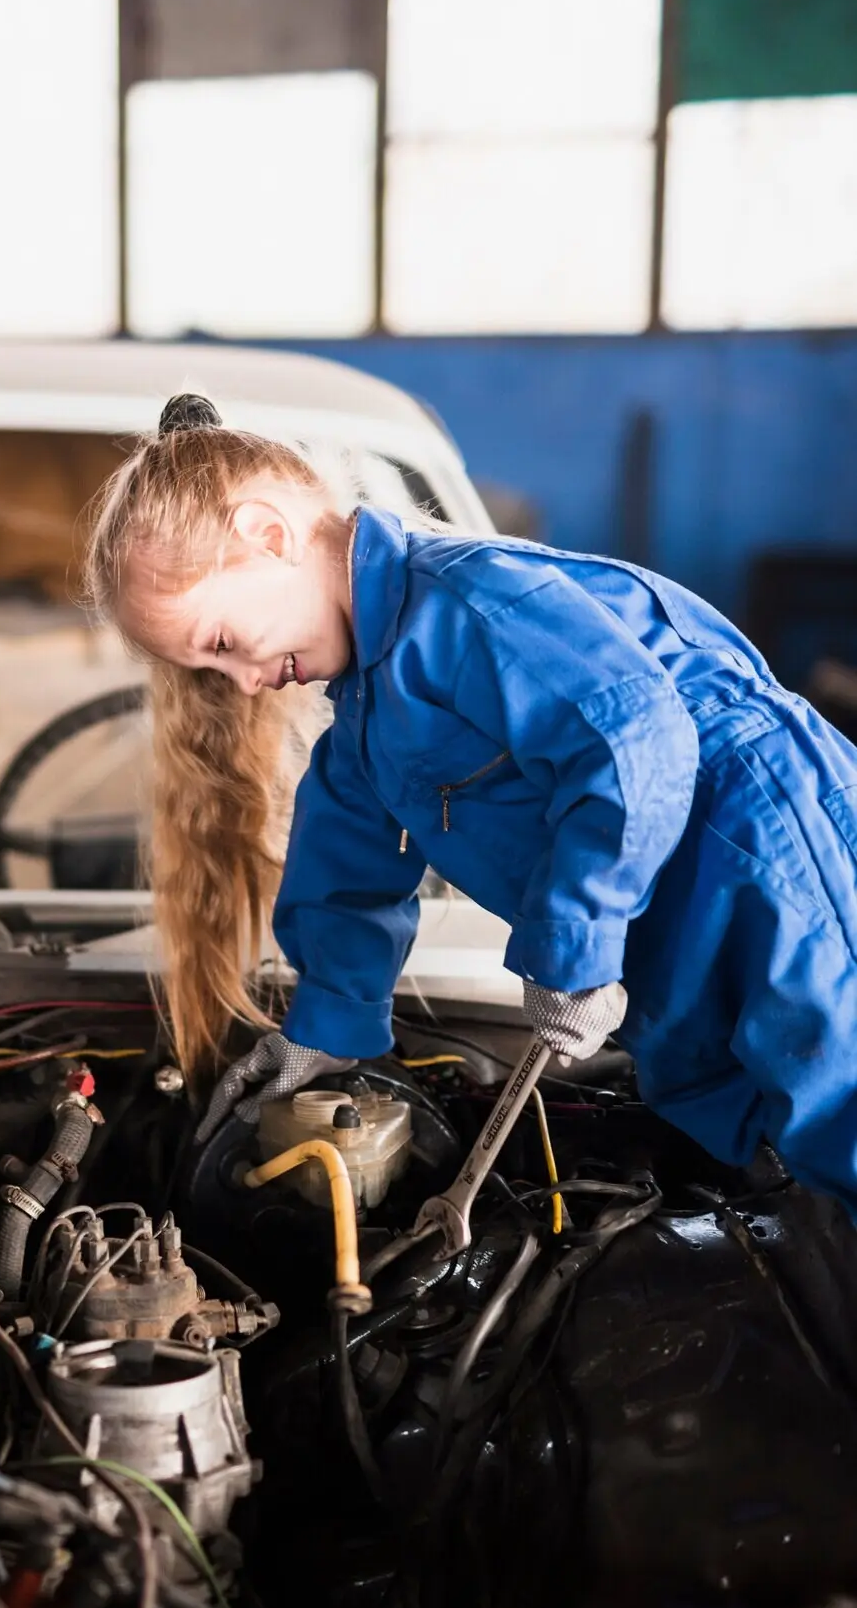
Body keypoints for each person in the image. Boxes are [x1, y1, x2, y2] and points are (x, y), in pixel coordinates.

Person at [83, 394, 857, 1214]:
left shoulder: (466, 602)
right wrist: (322, 1029)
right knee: (751, 1145)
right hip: (673, 913)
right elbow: (345, 871)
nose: (241, 682)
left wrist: (577, 944)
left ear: (269, 536)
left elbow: (632, 735)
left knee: (840, 1117)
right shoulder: (368, 724)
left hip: (766, 849)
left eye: (223, 644)